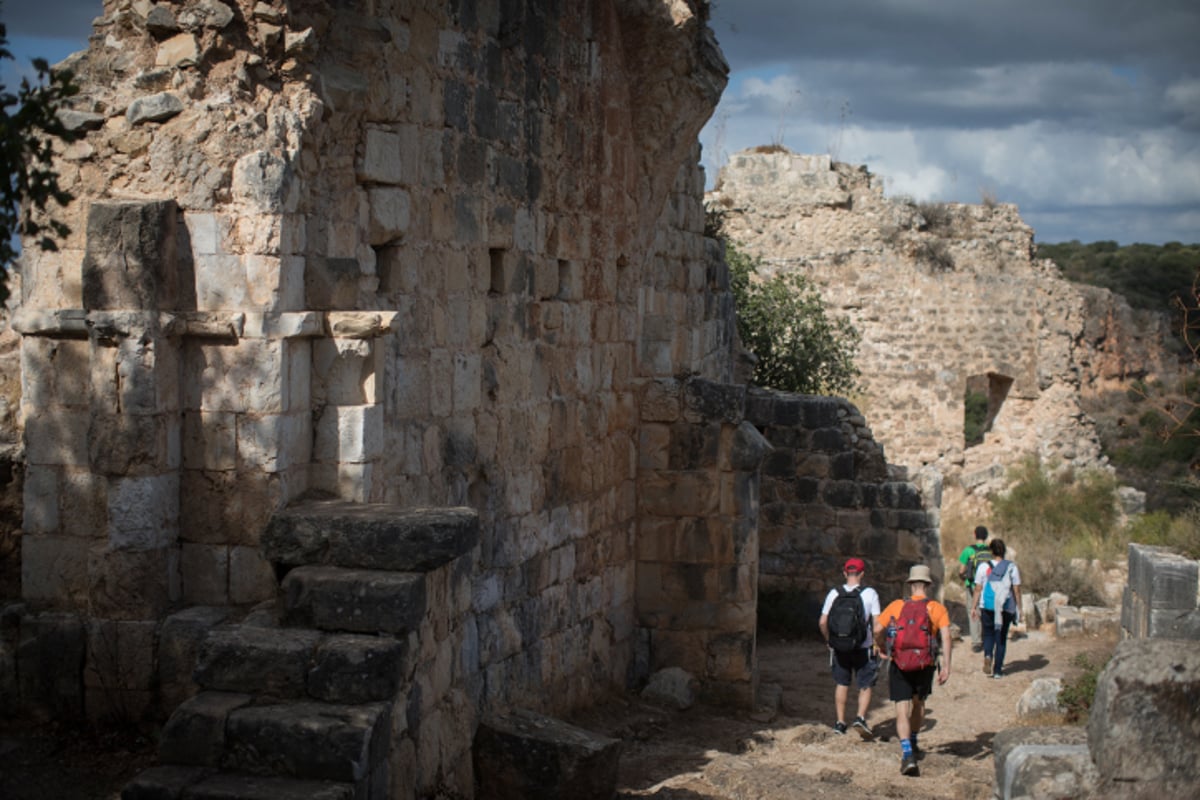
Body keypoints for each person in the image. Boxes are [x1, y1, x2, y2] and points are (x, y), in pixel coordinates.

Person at [875, 564, 952, 777]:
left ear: (910, 585)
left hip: (899, 662)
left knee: (902, 708)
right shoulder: (937, 608)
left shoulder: (897, 606)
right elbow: (945, 637)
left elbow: (877, 629)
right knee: (919, 703)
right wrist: (946, 666)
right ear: (928, 585)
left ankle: (907, 753)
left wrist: (881, 647)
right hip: (924, 664)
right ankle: (915, 740)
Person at [818, 557, 881, 739]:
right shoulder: (870, 594)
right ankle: (860, 718)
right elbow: (877, 625)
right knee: (865, 684)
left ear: (845, 573)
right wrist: (878, 643)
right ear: (862, 574)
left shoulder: (834, 593)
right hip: (864, 646)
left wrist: (830, 640)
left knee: (842, 683)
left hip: (840, 646)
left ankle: (840, 722)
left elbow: (822, 621)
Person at [971, 538, 1022, 678]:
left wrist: (973, 606)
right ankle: (998, 670)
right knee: (1001, 637)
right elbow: (1016, 590)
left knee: (988, 634)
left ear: (991, 551)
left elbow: (977, 588)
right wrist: (1019, 608)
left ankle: (988, 655)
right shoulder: (1012, 567)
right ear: (1004, 551)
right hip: (1005, 607)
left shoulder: (983, 567)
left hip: (987, 606)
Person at [956, 525, 991, 652]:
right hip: (988, 586)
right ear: (986, 536)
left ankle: (976, 642)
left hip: (972, 585)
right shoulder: (991, 551)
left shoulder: (968, 550)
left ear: (975, 535)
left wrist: (963, 578)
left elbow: (961, 570)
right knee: (986, 610)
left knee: (973, 610)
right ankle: (987, 636)